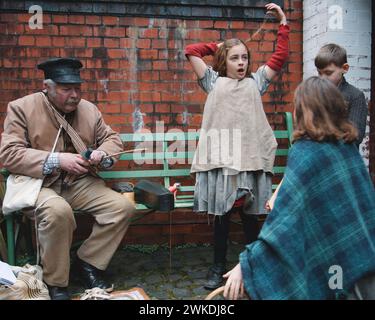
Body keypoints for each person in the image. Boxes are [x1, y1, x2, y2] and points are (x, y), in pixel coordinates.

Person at [223, 77, 375, 300]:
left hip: (344, 277)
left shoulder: (305, 152)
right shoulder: (347, 148)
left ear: (303, 112)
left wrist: (246, 266)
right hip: (364, 261)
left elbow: (281, 225)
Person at [0, 58, 136, 300]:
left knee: (122, 207)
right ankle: (56, 282)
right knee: (58, 211)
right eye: (66, 89)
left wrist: (102, 154)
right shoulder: (21, 108)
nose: (74, 95)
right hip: (38, 185)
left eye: (77, 88)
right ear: (47, 87)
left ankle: (87, 262)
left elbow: (112, 139)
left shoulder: (89, 109)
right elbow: (9, 154)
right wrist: (58, 160)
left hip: (79, 184)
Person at [185, 3, 289, 290]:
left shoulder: (257, 82)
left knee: (250, 217)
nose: (241, 63)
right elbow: (191, 51)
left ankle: (254, 268)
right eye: (234, 58)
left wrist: (283, 23)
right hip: (222, 163)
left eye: (244, 57)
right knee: (222, 216)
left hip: (250, 162)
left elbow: (280, 57)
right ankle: (217, 266)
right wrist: (215, 45)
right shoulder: (211, 81)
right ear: (224, 61)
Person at [315, 43, 368, 147]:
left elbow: (356, 135)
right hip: (319, 156)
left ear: (345, 68)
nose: (322, 78)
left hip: (344, 158)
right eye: (319, 73)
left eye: (328, 73)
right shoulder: (316, 93)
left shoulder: (355, 95)